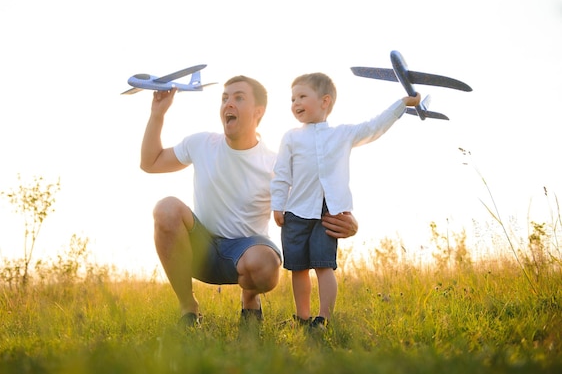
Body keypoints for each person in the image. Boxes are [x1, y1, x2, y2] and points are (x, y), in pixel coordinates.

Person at [140, 75, 359, 327]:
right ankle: (188, 309)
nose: (228, 104)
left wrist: (350, 221)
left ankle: (251, 300)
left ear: (258, 112)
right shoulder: (201, 143)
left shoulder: (277, 163)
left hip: (248, 254)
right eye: (224, 98)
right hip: (201, 249)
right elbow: (150, 163)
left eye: (238, 98)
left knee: (265, 265)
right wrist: (157, 114)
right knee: (166, 208)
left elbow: (313, 199)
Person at [271, 72, 421, 330]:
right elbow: (281, 173)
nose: (295, 103)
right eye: (293, 98)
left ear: (325, 101)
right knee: (298, 268)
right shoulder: (291, 137)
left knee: (323, 265)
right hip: (295, 210)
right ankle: (302, 316)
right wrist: (277, 204)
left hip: (329, 212)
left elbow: (374, 127)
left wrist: (402, 104)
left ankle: (323, 318)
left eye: (302, 96)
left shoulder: (342, 134)